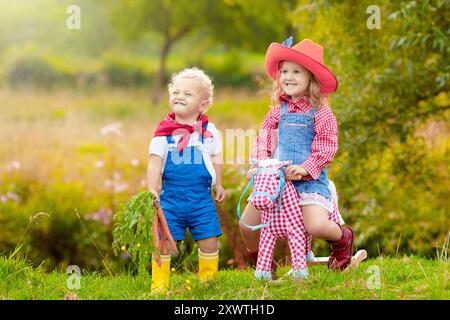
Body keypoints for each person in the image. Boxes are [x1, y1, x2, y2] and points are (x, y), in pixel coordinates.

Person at [240, 37, 354, 274]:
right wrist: (261, 163)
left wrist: (305, 168)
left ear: (311, 78)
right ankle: (263, 263)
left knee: (317, 225)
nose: (288, 77)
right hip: (276, 182)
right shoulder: (276, 112)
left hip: (308, 183)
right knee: (248, 224)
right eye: (284, 71)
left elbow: (326, 147)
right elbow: (264, 139)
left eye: (296, 72)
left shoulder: (321, 114)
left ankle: (342, 238)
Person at [147, 67, 226, 292]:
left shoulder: (209, 131)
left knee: (209, 239)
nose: (179, 96)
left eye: (187, 94)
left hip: (202, 198)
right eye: (176, 92)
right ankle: (160, 285)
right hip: (171, 199)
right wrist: (151, 188)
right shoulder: (164, 132)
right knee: (164, 243)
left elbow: (215, 157)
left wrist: (218, 183)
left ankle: (208, 282)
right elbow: (154, 162)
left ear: (202, 105)